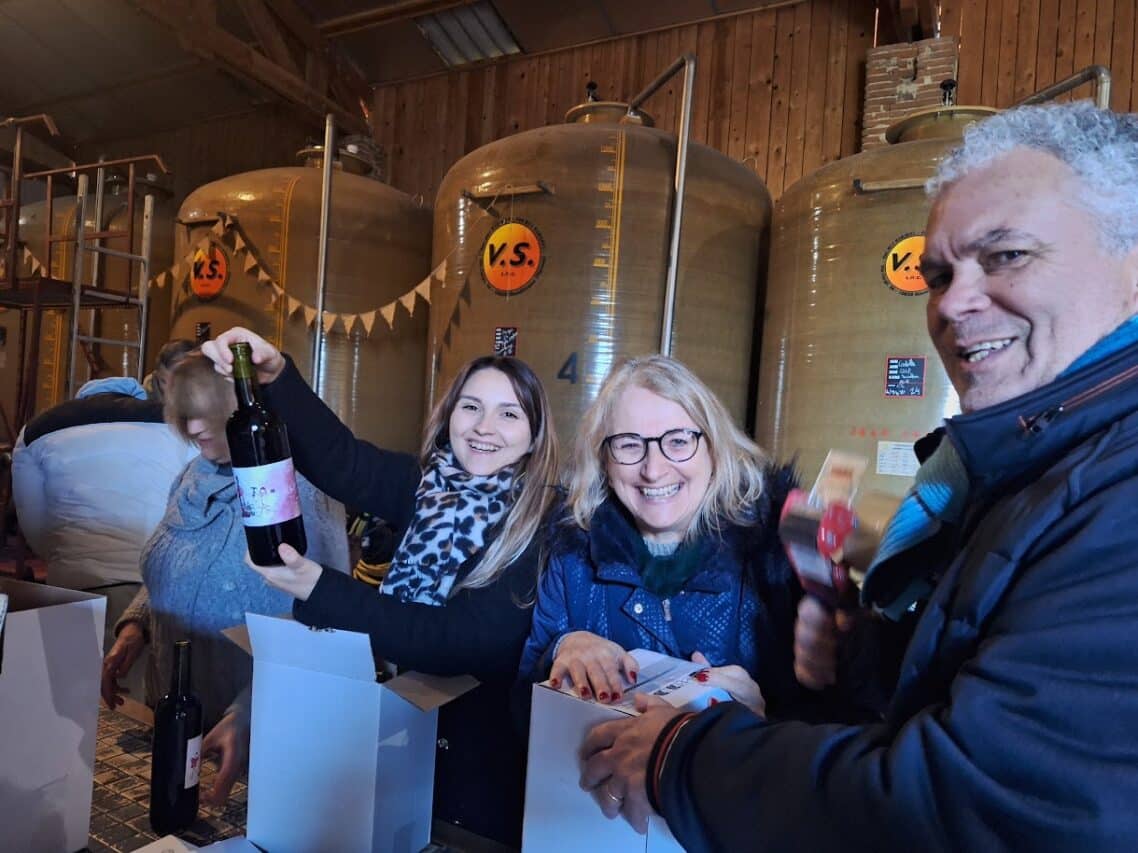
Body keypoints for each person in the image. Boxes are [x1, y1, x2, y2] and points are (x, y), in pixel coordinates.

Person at [579, 100, 1138, 850]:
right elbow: (956, 691)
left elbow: (972, 800)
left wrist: (684, 752)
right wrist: (862, 655)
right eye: (938, 273)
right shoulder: (1017, 467)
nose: (953, 303)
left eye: (1006, 256)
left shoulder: (1113, 485)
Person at [200, 327, 560, 848]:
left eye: (509, 414)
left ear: (535, 434)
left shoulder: (540, 524)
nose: (485, 428)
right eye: (471, 407)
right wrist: (277, 375)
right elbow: (341, 460)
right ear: (448, 415)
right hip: (388, 741)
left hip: (475, 777)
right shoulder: (427, 485)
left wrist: (319, 587)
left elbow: (459, 641)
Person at [101, 352, 349, 805]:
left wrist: (249, 712)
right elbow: (170, 561)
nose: (193, 429)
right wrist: (137, 626)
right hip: (176, 713)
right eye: (184, 415)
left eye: (205, 414)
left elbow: (326, 620)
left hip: (252, 739)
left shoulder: (296, 485)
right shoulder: (192, 474)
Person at [519, 354, 802, 719]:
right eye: (629, 444)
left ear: (714, 448)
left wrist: (762, 731)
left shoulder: (774, 561)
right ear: (603, 459)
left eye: (679, 441)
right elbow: (520, 719)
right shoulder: (571, 558)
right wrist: (560, 652)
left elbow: (843, 731)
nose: (653, 470)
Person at [12, 339, 197, 659]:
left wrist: (67, 555)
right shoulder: (185, 429)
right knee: (130, 699)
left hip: (69, 584)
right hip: (147, 588)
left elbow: (36, 526)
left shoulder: (37, 430)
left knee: (66, 694)